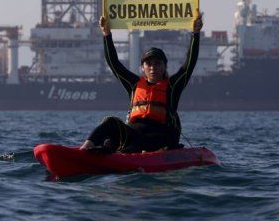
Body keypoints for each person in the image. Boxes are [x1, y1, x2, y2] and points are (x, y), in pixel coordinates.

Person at [80, 12, 204, 153]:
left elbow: (189, 64)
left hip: (160, 137)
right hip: (134, 134)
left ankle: (114, 152)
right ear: (143, 67)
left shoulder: (173, 86)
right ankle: (84, 150)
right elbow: (114, 63)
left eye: (157, 64)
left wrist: (195, 33)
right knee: (110, 123)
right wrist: (106, 33)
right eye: (149, 64)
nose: (153, 68)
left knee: (131, 145)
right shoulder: (134, 84)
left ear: (164, 66)